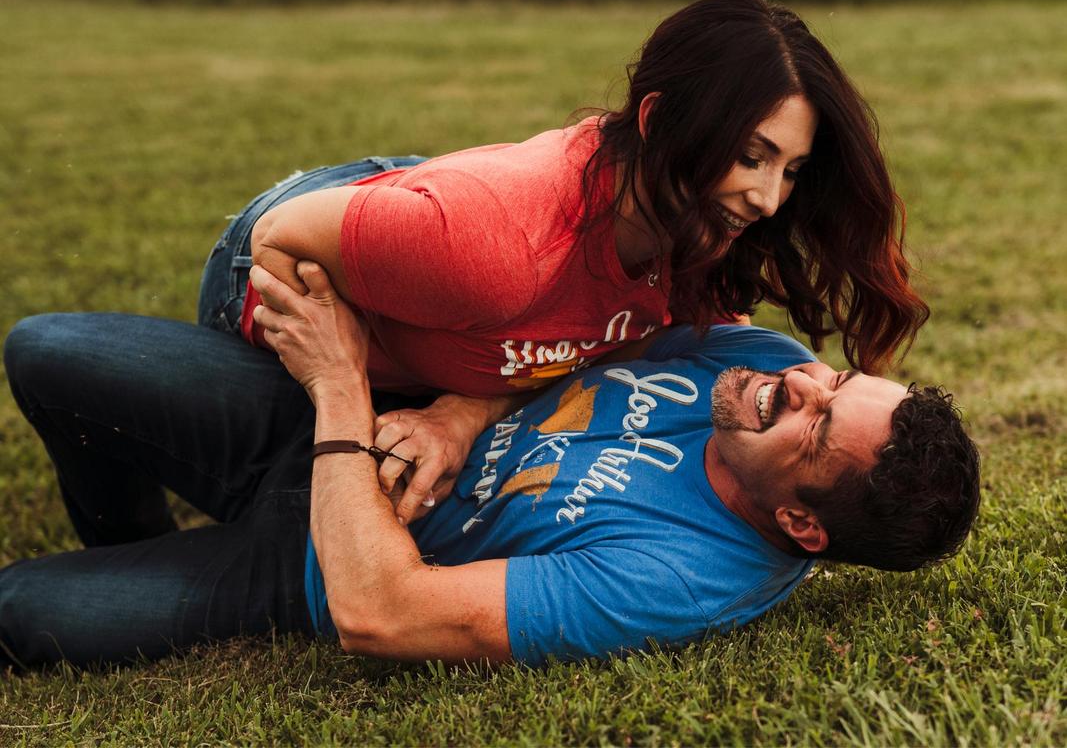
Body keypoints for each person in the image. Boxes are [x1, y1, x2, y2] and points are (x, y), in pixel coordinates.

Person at [0, 264, 979, 669]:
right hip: (315, 425)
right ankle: (130, 535)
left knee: (17, 612)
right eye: (833, 377)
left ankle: (154, 561)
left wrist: (339, 386)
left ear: (801, 523)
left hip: (310, 559)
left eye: (814, 421)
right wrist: (458, 415)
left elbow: (383, 613)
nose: (796, 380)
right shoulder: (758, 362)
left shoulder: (680, 579)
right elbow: (581, 336)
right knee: (46, 350)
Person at [195, 0, 930, 522]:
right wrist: (343, 388)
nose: (769, 200)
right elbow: (278, 236)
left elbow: (604, 348)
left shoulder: (697, 236)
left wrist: (461, 412)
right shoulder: (489, 257)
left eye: (791, 170)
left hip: (452, 226)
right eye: (749, 157)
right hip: (285, 248)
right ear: (657, 123)